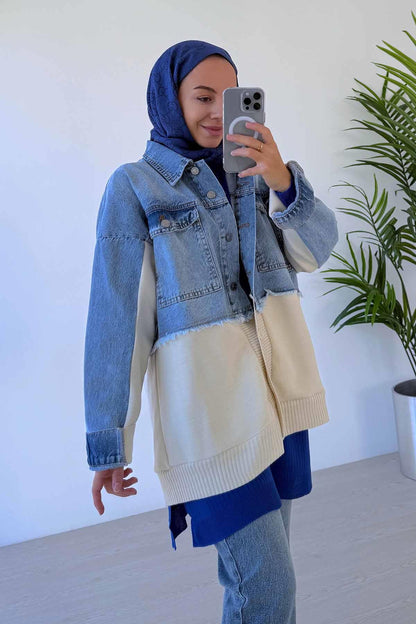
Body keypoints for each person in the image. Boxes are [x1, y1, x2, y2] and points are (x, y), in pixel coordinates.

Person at [84, 40, 339, 623]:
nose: (216, 114)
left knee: (267, 579)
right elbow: (117, 322)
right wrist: (109, 441)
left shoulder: (256, 174)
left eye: (228, 99)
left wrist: (282, 180)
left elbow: (314, 252)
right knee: (266, 586)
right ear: (169, 99)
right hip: (210, 421)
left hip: (277, 404)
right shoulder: (134, 188)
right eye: (202, 97)